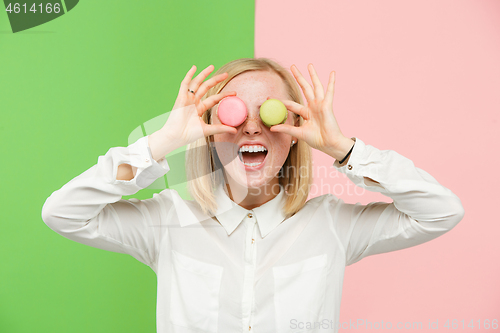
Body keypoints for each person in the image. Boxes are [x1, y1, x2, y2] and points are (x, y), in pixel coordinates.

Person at [41, 58, 465, 333]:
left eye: (270, 112)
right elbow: (63, 213)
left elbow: (441, 212)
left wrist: (345, 149)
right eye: (234, 112)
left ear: (295, 134)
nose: (251, 127)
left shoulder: (333, 225)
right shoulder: (168, 222)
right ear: (210, 133)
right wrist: (161, 142)